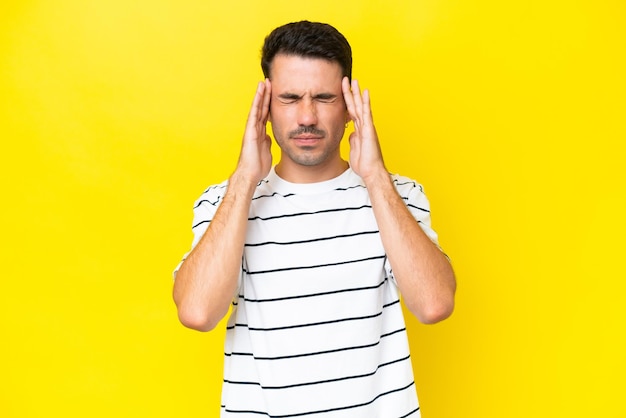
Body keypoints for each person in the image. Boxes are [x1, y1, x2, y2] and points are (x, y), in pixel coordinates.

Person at [173, 20, 456, 418]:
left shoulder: (398, 196)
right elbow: (197, 313)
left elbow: (434, 305)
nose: (307, 117)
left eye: (323, 97)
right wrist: (243, 181)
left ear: (349, 105)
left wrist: (375, 176)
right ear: (266, 106)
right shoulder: (225, 202)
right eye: (289, 98)